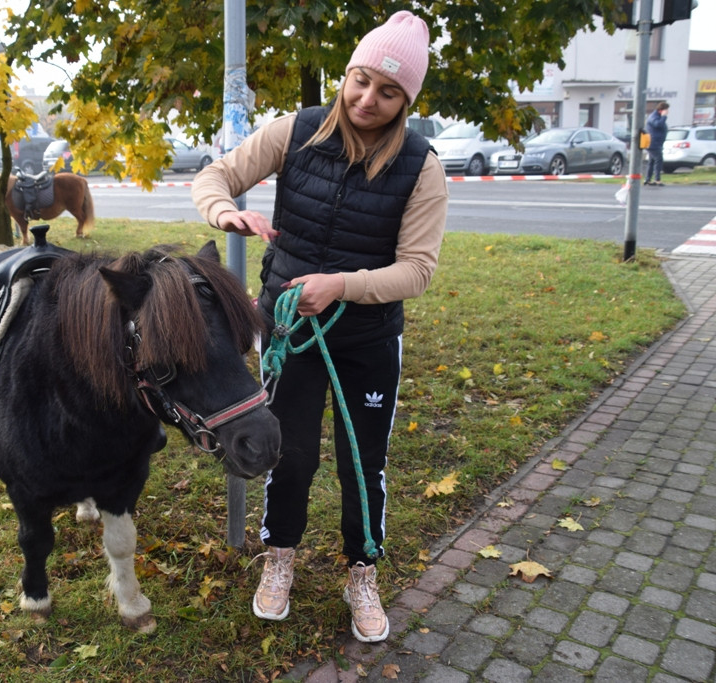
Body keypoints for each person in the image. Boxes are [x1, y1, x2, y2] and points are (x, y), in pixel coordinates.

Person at [192, 10, 447, 643]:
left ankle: (362, 571)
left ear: (406, 101)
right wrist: (226, 212)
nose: (368, 99)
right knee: (291, 454)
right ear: (347, 74)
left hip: (367, 341)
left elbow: (416, 270)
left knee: (363, 461)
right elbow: (214, 175)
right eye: (361, 80)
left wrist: (344, 287)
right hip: (290, 338)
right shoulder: (296, 131)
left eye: (389, 92)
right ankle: (279, 559)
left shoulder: (421, 166)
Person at [644, 101, 669, 186]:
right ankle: (657, 179)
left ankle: (648, 179)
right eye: (666, 110)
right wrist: (664, 116)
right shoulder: (654, 117)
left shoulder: (656, 116)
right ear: (661, 110)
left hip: (655, 143)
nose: (668, 112)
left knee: (652, 161)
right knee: (659, 160)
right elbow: (658, 125)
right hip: (653, 143)